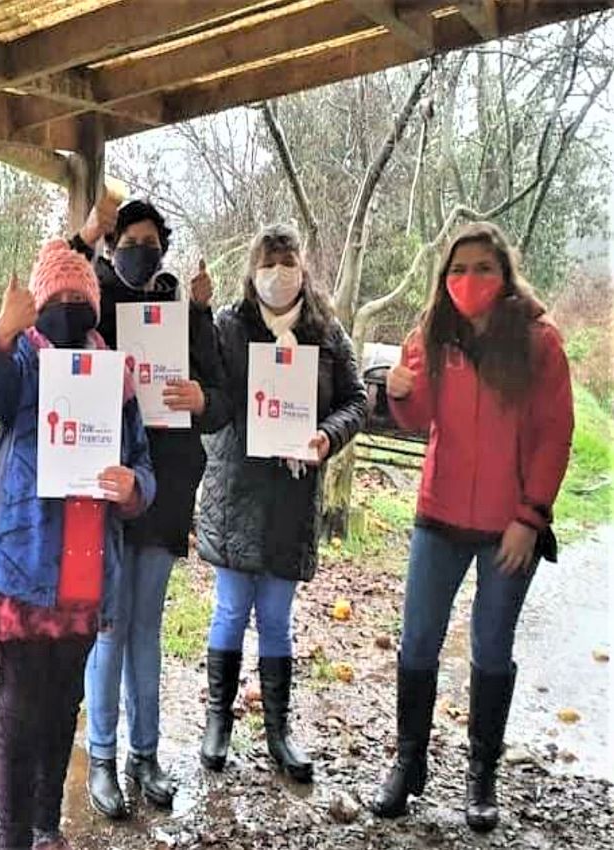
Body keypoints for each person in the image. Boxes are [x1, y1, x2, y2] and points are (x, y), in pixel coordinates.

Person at [0, 239, 156, 850]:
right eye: (56, 297)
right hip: (21, 563)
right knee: (17, 712)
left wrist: (133, 488)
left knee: (65, 702)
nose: (67, 305)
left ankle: (47, 826)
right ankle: (12, 837)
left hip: (87, 568)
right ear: (38, 304)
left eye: (77, 296)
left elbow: (142, 464)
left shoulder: (115, 377)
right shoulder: (19, 364)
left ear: (94, 303)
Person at [370, 222, 573, 831]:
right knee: (418, 642)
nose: (469, 281)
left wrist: (530, 518)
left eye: (483, 268)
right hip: (439, 516)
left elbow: (553, 436)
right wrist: (400, 392)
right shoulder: (432, 333)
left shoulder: (539, 342)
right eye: (458, 270)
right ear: (444, 278)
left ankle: (481, 774)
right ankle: (409, 766)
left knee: (490, 647)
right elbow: (419, 418)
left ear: (504, 273)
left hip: (508, 527)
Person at [69, 200, 231, 816]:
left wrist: (199, 396)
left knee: (146, 628)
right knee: (108, 627)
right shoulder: (95, 302)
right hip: (106, 488)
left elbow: (221, 402)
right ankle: (102, 758)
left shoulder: (185, 315)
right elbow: (57, 291)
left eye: (150, 240)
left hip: (167, 492)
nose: (140, 248)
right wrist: (83, 238)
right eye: (128, 239)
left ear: (163, 247)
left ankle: (147, 755)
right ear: (112, 247)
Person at [196, 223, 367, 782]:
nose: (278, 274)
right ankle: (217, 723)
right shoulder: (229, 325)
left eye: (287, 262)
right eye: (268, 263)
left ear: (302, 269)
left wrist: (326, 437)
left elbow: (356, 400)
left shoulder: (326, 331)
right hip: (236, 491)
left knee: (276, 618)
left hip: (292, 497)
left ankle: (278, 731)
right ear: (253, 270)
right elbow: (212, 395)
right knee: (228, 611)